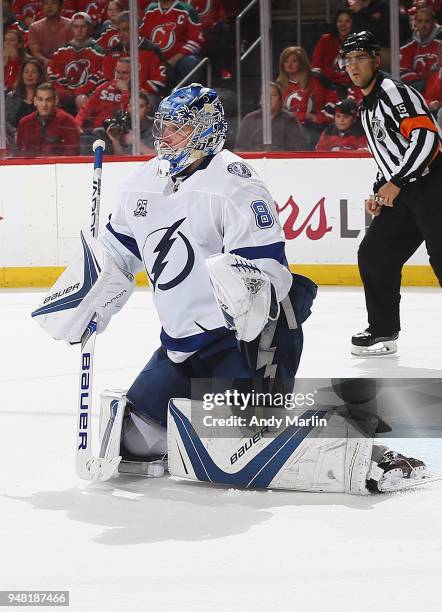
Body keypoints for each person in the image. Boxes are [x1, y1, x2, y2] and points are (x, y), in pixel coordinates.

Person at [339, 30, 442, 356]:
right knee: (375, 255)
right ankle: (383, 332)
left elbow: (428, 139)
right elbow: (390, 154)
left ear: (376, 60)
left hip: (433, 185)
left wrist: (395, 182)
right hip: (404, 192)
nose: (354, 66)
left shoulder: (394, 93)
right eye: (349, 60)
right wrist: (379, 190)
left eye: (360, 57)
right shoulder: (366, 106)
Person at [276, 46, 338, 149]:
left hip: (317, 129)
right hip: (287, 131)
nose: (289, 64)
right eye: (286, 61)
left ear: (301, 62)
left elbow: (333, 103)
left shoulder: (316, 80)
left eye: (294, 61)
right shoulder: (278, 85)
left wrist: (315, 117)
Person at [102, 11, 167, 103]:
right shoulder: (112, 52)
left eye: (126, 29)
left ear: (137, 30)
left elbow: (158, 83)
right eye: (119, 30)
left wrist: (130, 88)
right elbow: (105, 79)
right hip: (116, 95)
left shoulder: (151, 50)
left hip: (142, 96)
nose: (121, 34)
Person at [47, 11, 105, 113]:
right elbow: (53, 75)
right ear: (71, 28)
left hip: (87, 94)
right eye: (76, 26)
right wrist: (65, 92)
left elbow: (98, 77)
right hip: (65, 93)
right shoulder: (61, 51)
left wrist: (78, 92)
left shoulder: (99, 51)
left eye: (83, 26)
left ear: (90, 28)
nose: (79, 30)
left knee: (81, 100)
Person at [139, 0, 204, 84]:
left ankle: (186, 95)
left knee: (191, 62)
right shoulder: (150, 10)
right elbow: (142, 36)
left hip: (179, 60)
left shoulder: (187, 10)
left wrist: (174, 60)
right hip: (153, 60)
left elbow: (197, 40)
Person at [235, 81, 307, 151]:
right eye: (265, 95)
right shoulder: (249, 119)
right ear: (260, 100)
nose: (269, 99)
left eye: (273, 95)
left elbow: (299, 149)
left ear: (280, 100)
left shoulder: (290, 119)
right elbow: (240, 149)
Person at [16, 81, 81, 156]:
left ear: (56, 101)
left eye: (48, 100)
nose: (44, 105)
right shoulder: (24, 123)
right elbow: (19, 154)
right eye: (40, 100)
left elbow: (73, 155)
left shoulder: (67, 121)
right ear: (35, 101)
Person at [75, 57, 131, 133]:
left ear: (133, 74)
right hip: (98, 131)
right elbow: (85, 109)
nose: (120, 76)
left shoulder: (138, 93)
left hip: (122, 132)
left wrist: (125, 92)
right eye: (118, 72)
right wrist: (77, 125)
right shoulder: (104, 88)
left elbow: (126, 116)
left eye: (124, 73)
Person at [97, 90, 155, 155]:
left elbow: (161, 156)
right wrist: (115, 141)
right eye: (132, 106)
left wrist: (135, 143)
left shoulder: (158, 126)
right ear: (128, 108)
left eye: (140, 106)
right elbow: (121, 158)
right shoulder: (124, 125)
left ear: (148, 108)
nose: (135, 110)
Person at [311, 9, 356, 91]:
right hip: (326, 83)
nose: (343, 25)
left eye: (347, 21)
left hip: (352, 84)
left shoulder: (358, 42)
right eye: (340, 21)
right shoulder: (326, 40)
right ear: (335, 24)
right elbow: (316, 66)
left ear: (353, 24)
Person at [5, 58, 45, 147]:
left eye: (33, 72)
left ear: (40, 75)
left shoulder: (45, 97)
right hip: (16, 142)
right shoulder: (11, 97)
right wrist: (15, 132)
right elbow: (5, 121)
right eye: (26, 72)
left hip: (41, 142)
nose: (29, 75)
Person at [400, 5, 442, 89]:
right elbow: (403, 73)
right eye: (420, 21)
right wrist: (423, 84)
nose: (423, 25)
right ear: (415, 23)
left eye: (427, 21)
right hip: (418, 90)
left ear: (434, 22)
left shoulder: (440, 42)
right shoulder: (407, 46)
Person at [28, 0, 72, 69]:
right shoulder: (34, 28)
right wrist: (46, 61)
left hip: (66, 66)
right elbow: (35, 52)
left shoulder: (70, 25)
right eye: (46, 3)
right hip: (42, 67)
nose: (49, 7)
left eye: (54, 3)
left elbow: (72, 50)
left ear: (60, 6)